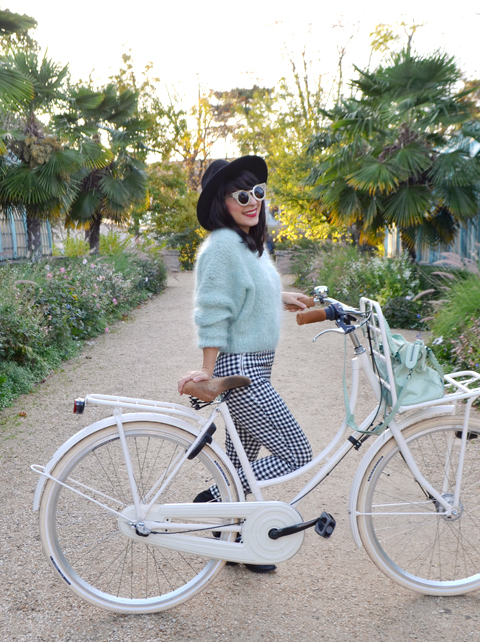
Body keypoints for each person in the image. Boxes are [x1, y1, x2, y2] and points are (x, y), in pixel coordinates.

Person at [177, 156, 314, 573]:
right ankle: (213, 502)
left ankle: (234, 538)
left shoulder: (246, 244)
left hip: (255, 366)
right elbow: (214, 309)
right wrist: (208, 369)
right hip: (243, 373)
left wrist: (282, 296)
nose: (252, 200)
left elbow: (248, 291)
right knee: (296, 453)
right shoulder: (222, 246)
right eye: (242, 194)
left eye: (258, 191)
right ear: (223, 200)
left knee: (240, 462)